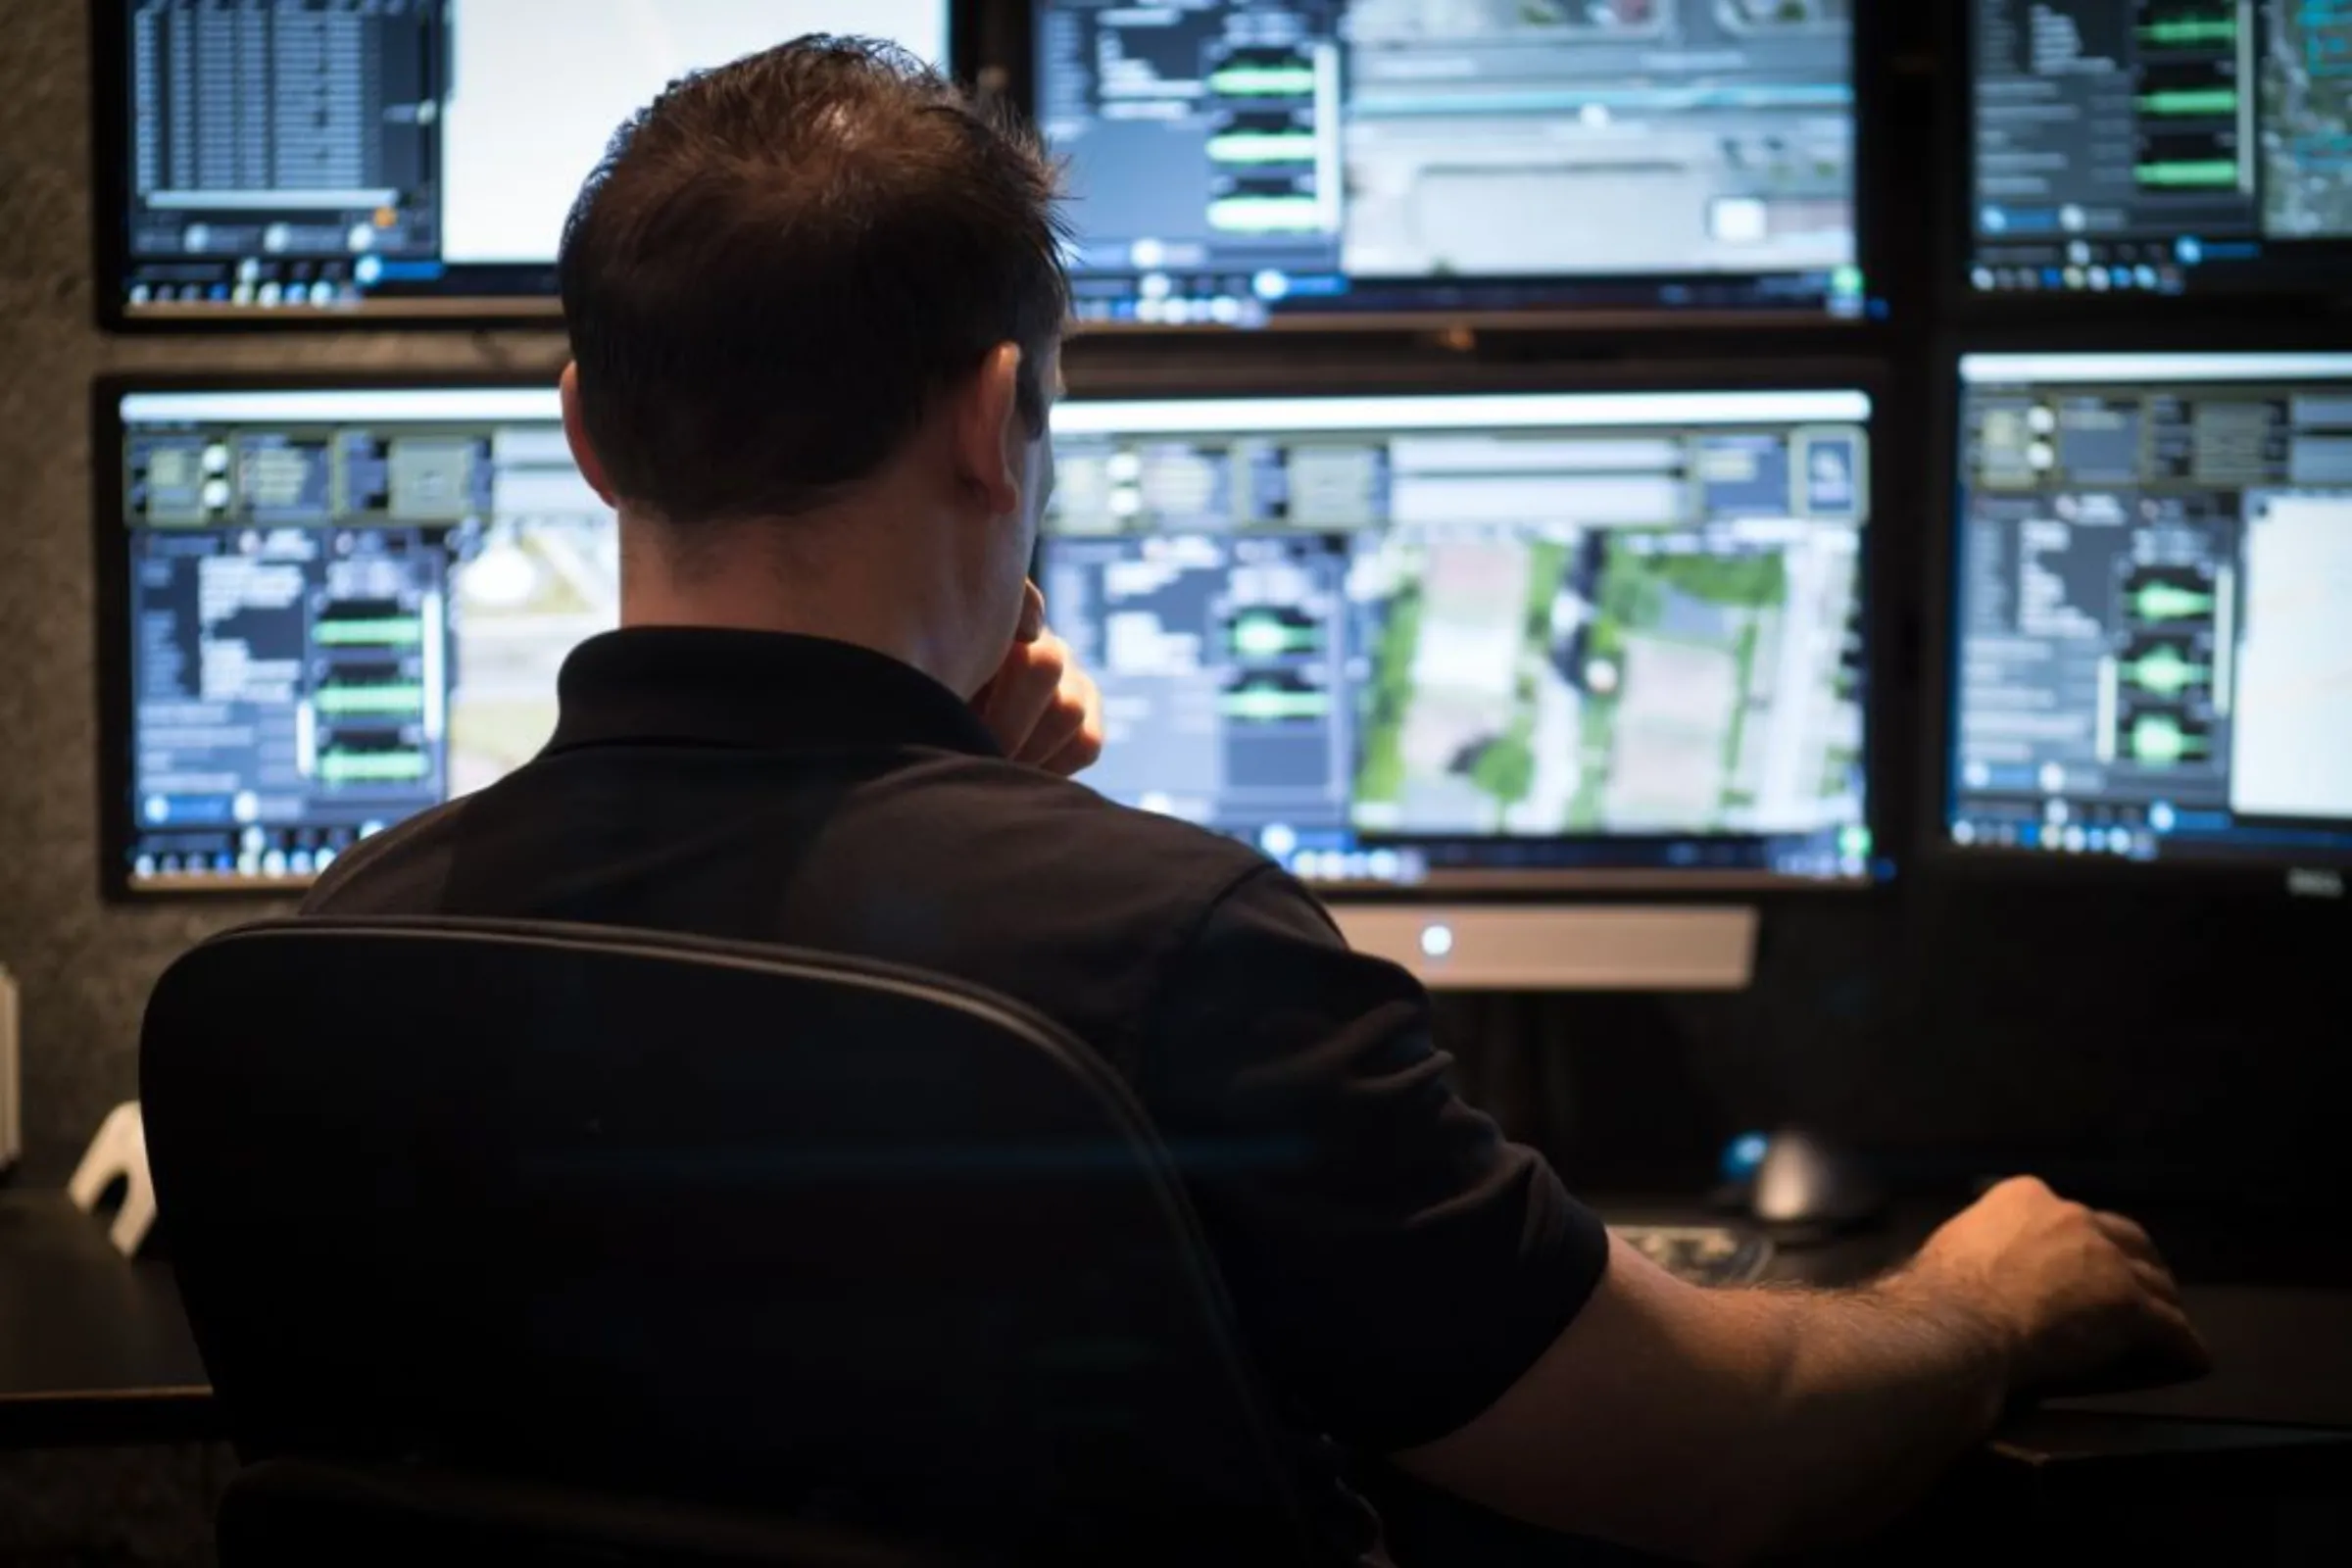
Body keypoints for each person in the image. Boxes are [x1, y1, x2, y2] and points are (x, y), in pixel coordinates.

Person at [304, 36, 2207, 1567]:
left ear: (583, 428)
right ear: (991, 419)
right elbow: (1719, 1461)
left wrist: (946, 795)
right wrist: (1976, 1304)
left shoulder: (333, 964)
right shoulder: (1165, 954)